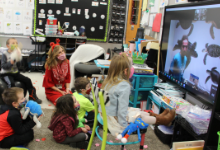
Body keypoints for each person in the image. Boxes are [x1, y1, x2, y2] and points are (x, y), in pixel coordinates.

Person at [101, 53, 176, 136]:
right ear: (126, 71)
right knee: (140, 116)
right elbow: (122, 109)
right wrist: (124, 125)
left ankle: (159, 117)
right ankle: (163, 120)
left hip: (105, 116)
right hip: (115, 120)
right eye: (131, 66)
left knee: (137, 111)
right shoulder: (124, 85)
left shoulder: (108, 81)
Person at [1, 38, 42, 104]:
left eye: (16, 43)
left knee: (27, 80)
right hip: (6, 73)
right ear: (8, 46)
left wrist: (19, 57)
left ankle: (32, 96)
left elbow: (19, 65)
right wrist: (10, 63)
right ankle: (11, 100)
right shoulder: (5, 54)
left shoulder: (16, 53)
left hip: (15, 72)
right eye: (13, 43)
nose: (15, 44)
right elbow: (3, 66)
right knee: (11, 84)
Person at [43, 39, 72, 105]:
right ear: (55, 55)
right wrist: (60, 92)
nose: (62, 53)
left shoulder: (66, 62)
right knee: (62, 103)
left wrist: (67, 89)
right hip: (53, 90)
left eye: (62, 51)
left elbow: (67, 77)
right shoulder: (50, 65)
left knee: (72, 100)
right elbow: (48, 83)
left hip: (63, 88)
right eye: (59, 52)